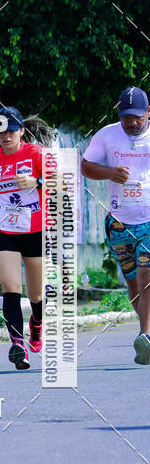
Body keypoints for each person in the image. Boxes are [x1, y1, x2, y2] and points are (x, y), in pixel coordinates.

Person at [0, 107, 54, 370]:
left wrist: (36, 182)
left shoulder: (36, 154)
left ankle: (37, 324)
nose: (6, 135)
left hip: (36, 229)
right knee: (10, 287)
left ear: (21, 130)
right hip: (5, 229)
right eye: (0, 131)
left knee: (36, 293)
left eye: (11, 130)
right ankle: (18, 345)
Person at [81, 86, 150, 364]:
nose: (131, 123)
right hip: (120, 222)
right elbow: (86, 166)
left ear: (148, 112)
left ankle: (146, 336)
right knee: (133, 282)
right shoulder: (107, 135)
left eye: (136, 117)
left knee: (147, 277)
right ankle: (144, 327)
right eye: (126, 117)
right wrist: (110, 172)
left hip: (149, 220)